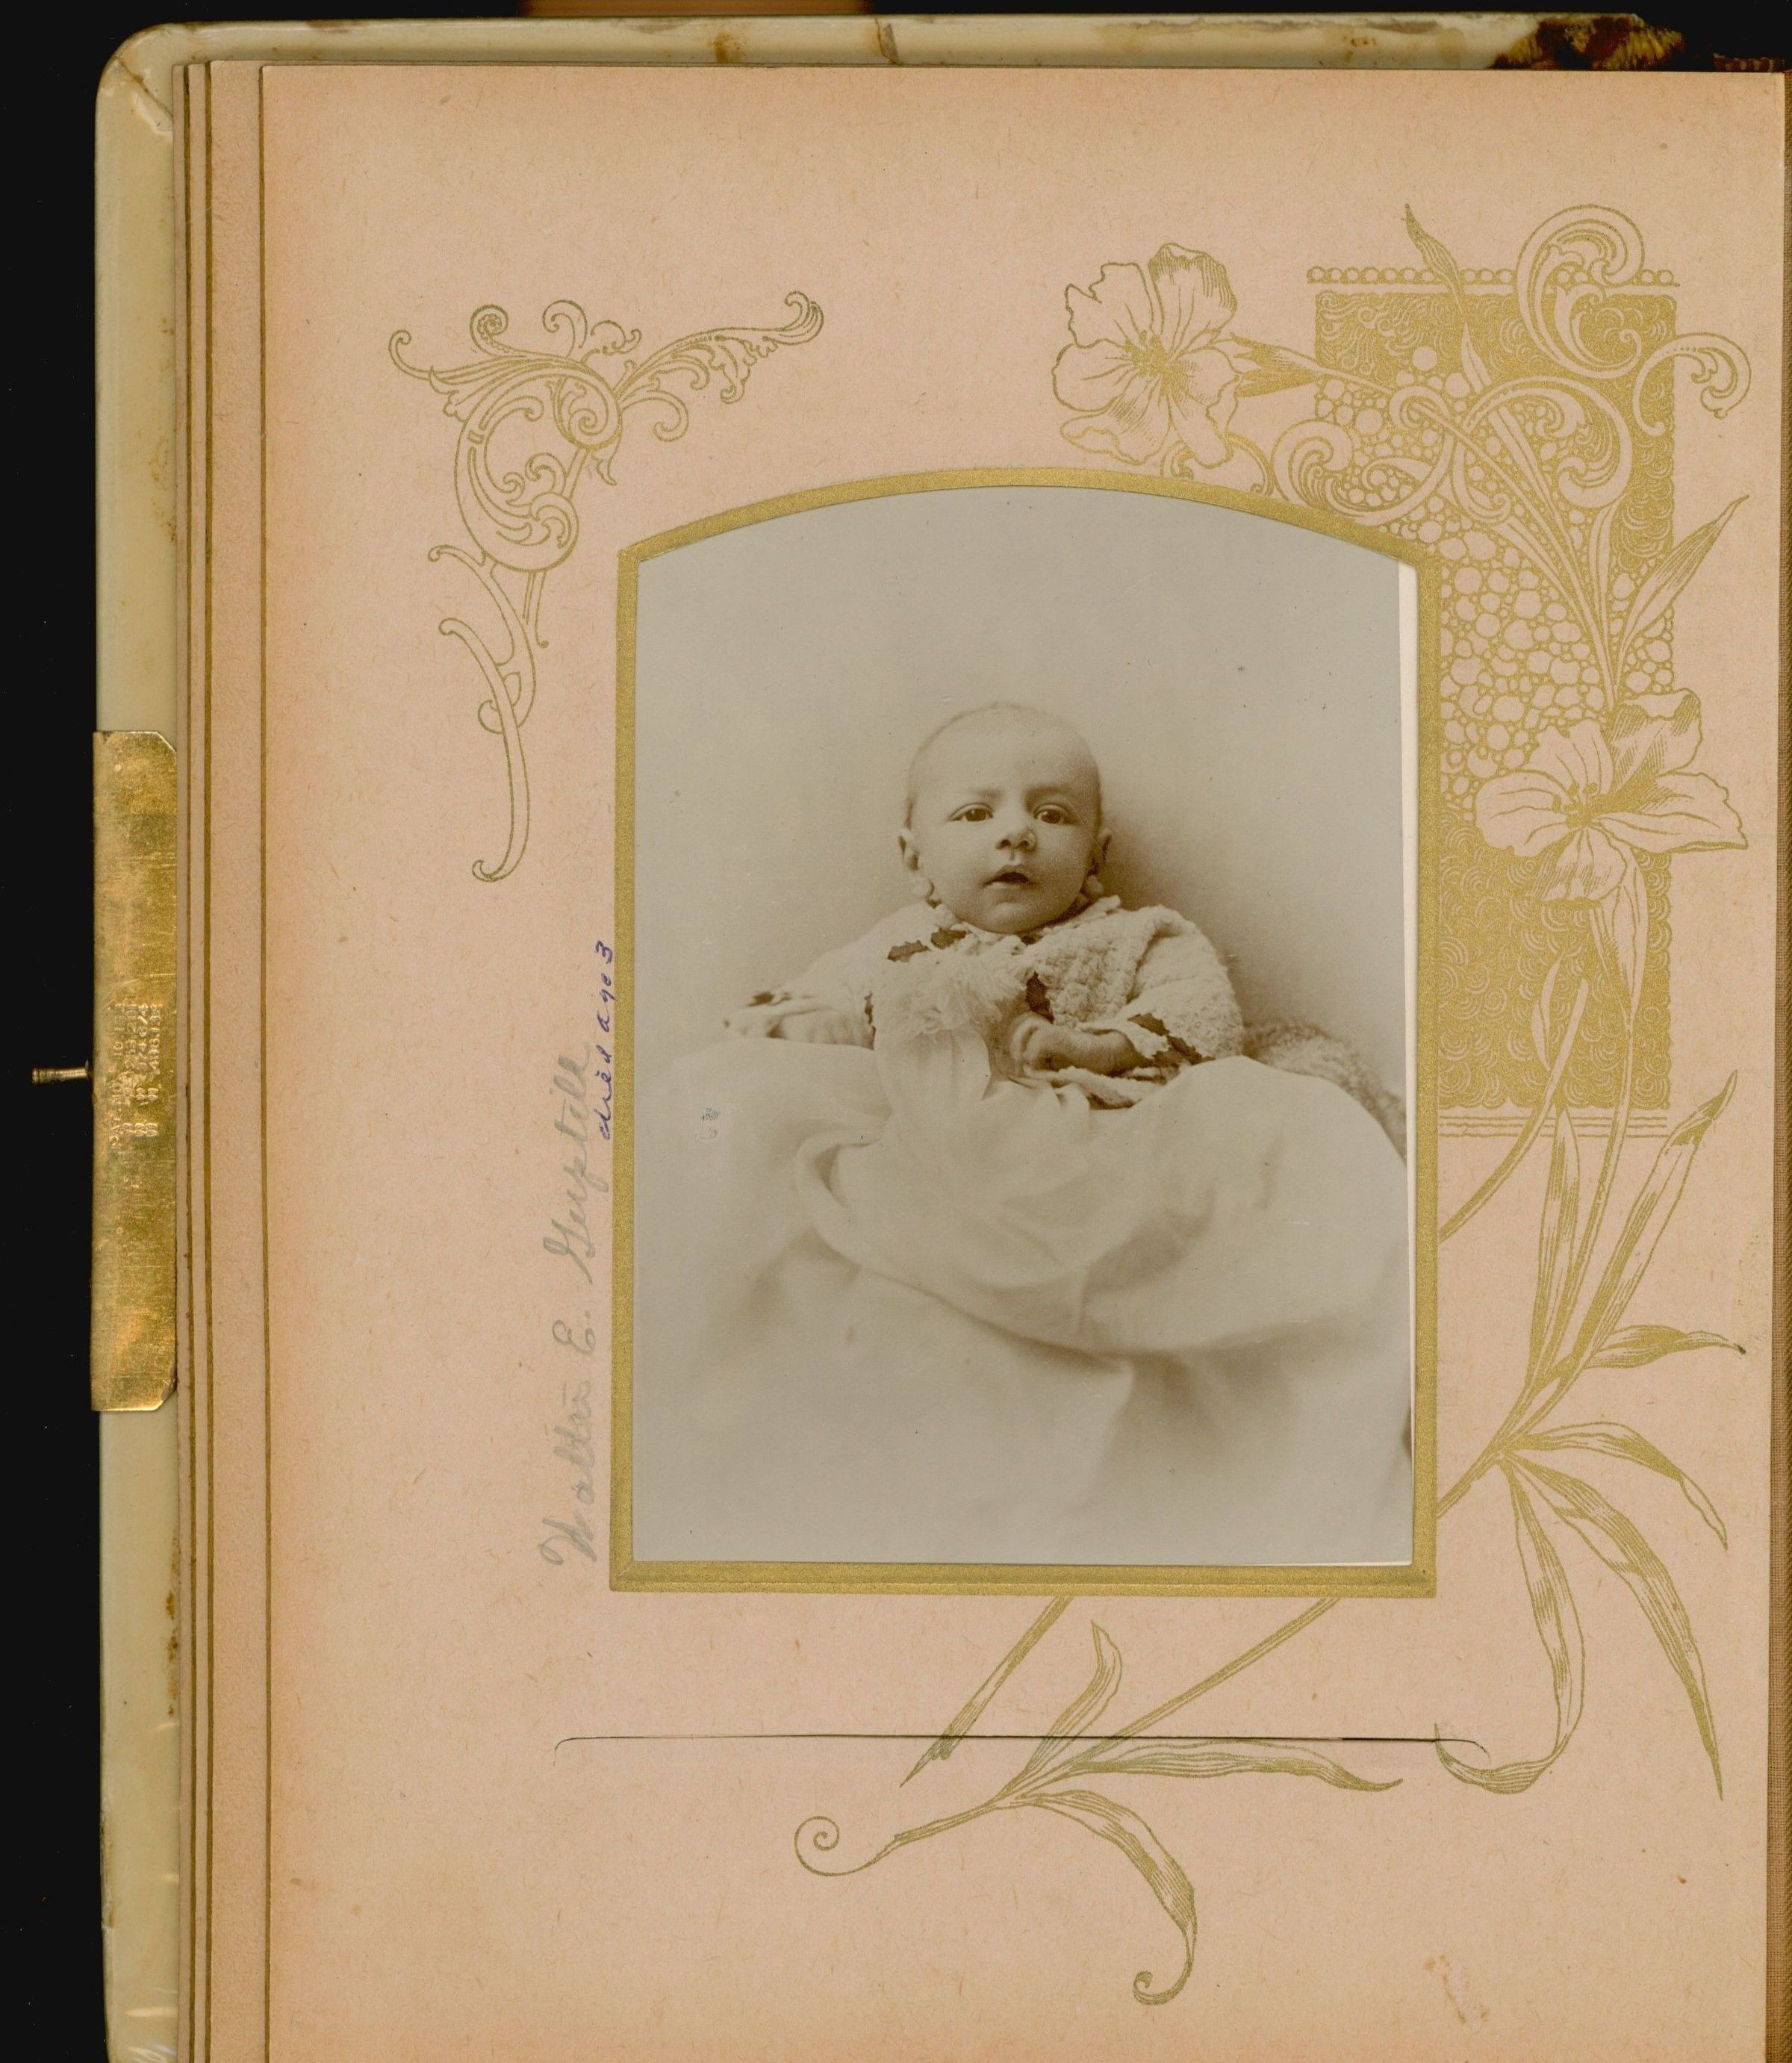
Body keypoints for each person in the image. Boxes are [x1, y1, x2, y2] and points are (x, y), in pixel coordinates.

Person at [632, 704, 1410, 1568]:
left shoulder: (1138, 935)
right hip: (947, 1149)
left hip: (1100, 1132)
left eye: (1052, 813)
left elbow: (1203, 1012)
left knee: (1266, 1136)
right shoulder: (898, 949)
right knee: (743, 1114)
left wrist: (1097, 1045)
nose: (1016, 835)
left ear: (1096, 853)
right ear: (915, 858)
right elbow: (822, 1005)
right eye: (976, 813)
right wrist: (808, 1023)